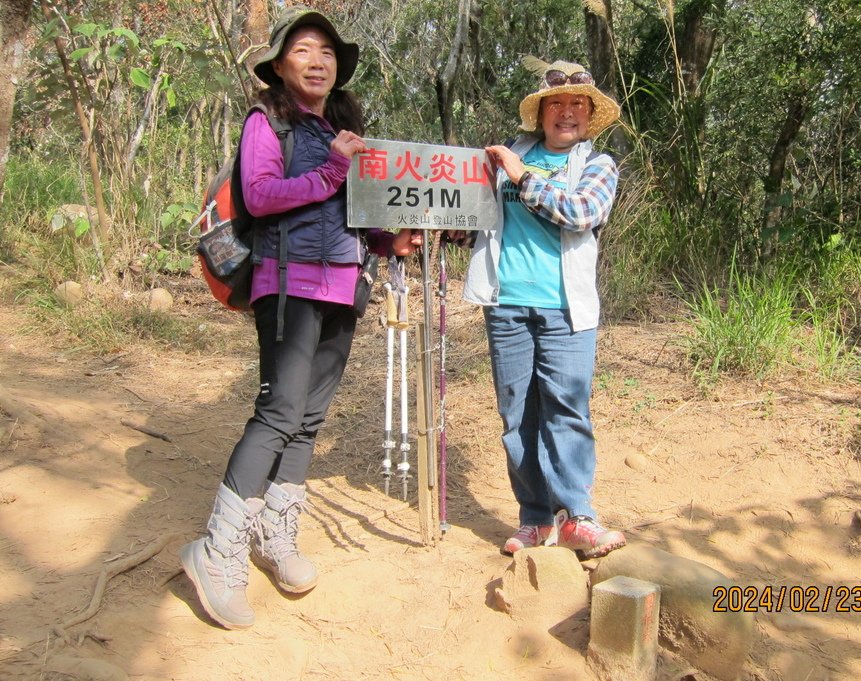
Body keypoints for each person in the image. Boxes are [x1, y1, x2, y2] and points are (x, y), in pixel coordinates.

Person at [180, 6, 419, 630]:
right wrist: (337, 166)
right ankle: (217, 549)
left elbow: (354, 212)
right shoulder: (267, 122)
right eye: (305, 51)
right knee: (279, 413)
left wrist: (385, 241)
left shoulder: (339, 133)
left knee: (309, 419)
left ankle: (275, 536)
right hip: (287, 285)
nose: (318, 62)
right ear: (280, 64)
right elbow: (261, 196)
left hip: (343, 288)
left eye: (328, 54)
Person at [459, 60, 626, 559]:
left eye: (578, 104)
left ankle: (577, 517)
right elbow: (471, 216)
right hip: (506, 305)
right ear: (542, 112)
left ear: (590, 114)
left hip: (564, 310)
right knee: (516, 415)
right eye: (558, 103)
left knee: (567, 411)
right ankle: (534, 518)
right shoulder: (507, 157)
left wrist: (521, 175)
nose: (567, 112)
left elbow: (581, 214)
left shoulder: (598, 166)